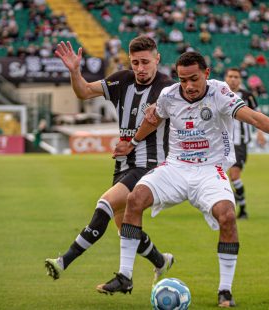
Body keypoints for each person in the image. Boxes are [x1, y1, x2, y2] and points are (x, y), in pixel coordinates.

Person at [96, 51, 269, 307]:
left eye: (194, 79)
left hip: (210, 170)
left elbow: (251, 116)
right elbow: (152, 121)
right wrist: (132, 143)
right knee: (135, 198)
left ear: (206, 74)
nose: (188, 86)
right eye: (183, 79)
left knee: (228, 216)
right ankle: (125, 276)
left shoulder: (219, 92)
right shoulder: (169, 96)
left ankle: (225, 291)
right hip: (175, 167)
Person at [44, 36, 176, 283]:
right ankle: (162, 261)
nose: (140, 68)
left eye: (145, 62)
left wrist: (132, 142)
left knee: (104, 204)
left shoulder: (166, 88)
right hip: (124, 163)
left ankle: (63, 261)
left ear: (157, 59)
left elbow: (154, 118)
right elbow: (83, 91)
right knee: (125, 228)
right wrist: (75, 72)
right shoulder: (122, 79)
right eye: (135, 62)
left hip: (150, 164)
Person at [224, 68, 265, 219]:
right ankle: (226, 203)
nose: (233, 79)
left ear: (240, 79)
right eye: (230, 76)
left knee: (234, 176)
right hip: (220, 143)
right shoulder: (218, 92)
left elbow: (257, 115)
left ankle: (243, 209)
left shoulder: (247, 96)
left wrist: (260, 132)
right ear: (225, 78)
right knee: (220, 176)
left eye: (236, 77)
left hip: (239, 143)